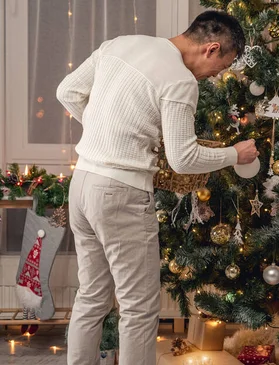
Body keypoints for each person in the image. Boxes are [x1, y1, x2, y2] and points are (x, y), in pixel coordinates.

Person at [56, 11, 258, 365]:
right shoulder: (180, 80)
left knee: (91, 296)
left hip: (84, 182)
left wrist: (107, 130)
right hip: (122, 192)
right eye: (221, 67)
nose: (216, 76)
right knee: (139, 307)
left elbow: (66, 91)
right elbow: (183, 160)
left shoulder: (120, 44)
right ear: (211, 49)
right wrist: (233, 155)